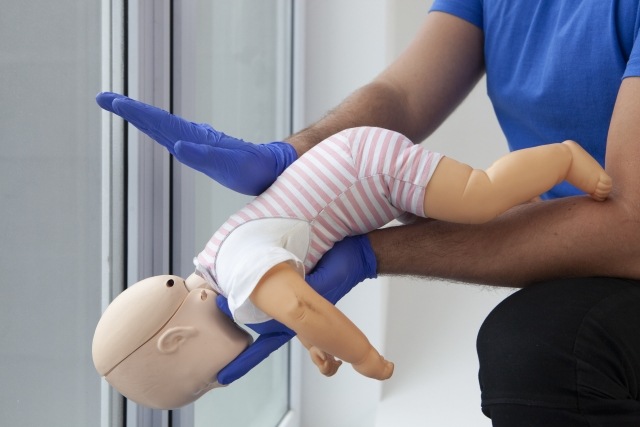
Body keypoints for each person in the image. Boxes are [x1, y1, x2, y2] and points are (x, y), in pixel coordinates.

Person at [97, 0, 640, 424]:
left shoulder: (237, 276)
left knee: (484, 201)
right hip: (361, 160)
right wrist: (290, 155)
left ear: (175, 339)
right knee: (529, 336)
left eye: (203, 383)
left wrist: (363, 353)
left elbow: (630, 224)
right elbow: (401, 96)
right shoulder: (226, 267)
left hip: (376, 170)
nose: (219, 380)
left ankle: (562, 158)